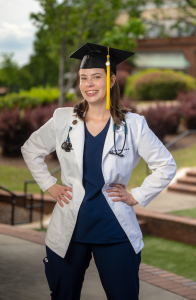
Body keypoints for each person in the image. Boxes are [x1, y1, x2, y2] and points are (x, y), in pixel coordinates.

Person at [21, 43, 177, 300]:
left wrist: (136, 195)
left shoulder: (133, 125)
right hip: (70, 231)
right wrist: (50, 185)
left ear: (112, 80)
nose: (88, 84)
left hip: (114, 230)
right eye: (83, 78)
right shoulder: (63, 120)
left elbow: (166, 165)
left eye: (96, 77)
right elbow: (31, 149)